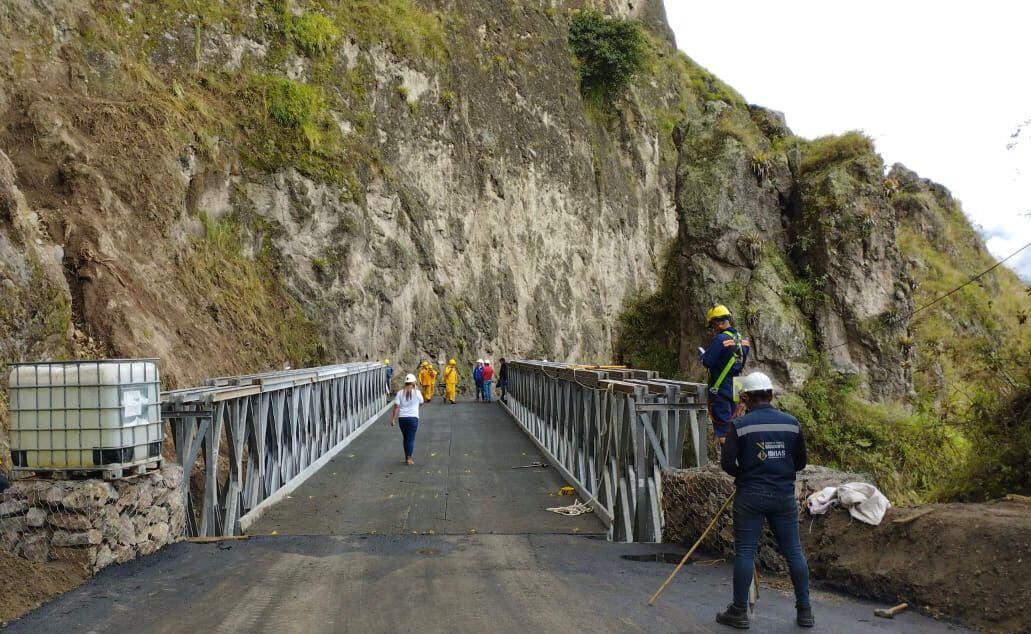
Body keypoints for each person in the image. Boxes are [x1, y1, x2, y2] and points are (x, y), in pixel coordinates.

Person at [717, 372, 813, 630]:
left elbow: (727, 462)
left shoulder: (740, 426)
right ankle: (805, 611)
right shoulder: (792, 423)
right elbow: (800, 462)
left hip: (750, 495)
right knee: (794, 551)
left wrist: (744, 475)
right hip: (783, 495)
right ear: (770, 394)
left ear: (746, 398)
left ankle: (739, 612)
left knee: (746, 552)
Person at [700, 304, 750, 443]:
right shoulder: (744, 341)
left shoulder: (720, 339)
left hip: (721, 386)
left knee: (723, 429)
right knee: (734, 423)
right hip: (737, 384)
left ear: (718, 323)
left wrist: (702, 357)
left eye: (713, 326)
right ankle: (739, 458)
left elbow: (707, 362)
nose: (713, 330)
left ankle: (729, 462)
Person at [390, 373, 424, 465]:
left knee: (406, 438)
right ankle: (409, 458)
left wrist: (393, 419)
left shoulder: (400, 393)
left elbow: (396, 406)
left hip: (402, 419)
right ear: (414, 383)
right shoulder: (417, 393)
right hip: (413, 418)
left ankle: (407, 456)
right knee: (410, 438)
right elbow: (421, 402)